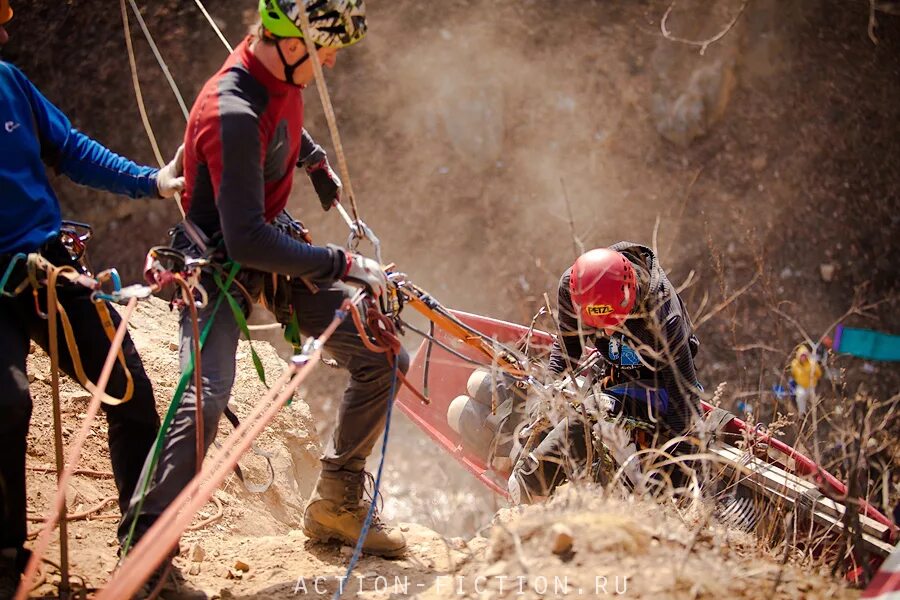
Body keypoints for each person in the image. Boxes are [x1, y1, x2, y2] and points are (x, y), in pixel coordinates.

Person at [119, 0, 409, 563]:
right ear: (295, 43)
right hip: (219, 263)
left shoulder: (272, 69)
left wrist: (315, 159)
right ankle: (145, 546)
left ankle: (337, 502)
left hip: (269, 246)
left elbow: (280, 118)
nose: (328, 63)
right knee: (204, 396)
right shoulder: (231, 110)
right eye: (325, 51)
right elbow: (247, 237)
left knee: (382, 354)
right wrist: (345, 265)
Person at [0, 0, 184, 590]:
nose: (6, 23)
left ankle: (146, 551)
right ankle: (5, 560)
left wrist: (150, 181)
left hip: (46, 267)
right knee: (3, 407)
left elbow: (73, 150)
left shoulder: (9, 82)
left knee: (130, 389)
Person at [508, 242, 703, 503]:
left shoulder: (664, 316)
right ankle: (539, 479)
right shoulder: (573, 287)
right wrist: (547, 395)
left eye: (616, 322)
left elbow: (684, 400)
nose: (608, 331)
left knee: (594, 411)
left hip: (660, 382)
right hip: (614, 369)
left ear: (630, 298)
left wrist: (683, 478)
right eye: (599, 326)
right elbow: (568, 347)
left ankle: (534, 485)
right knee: (555, 410)